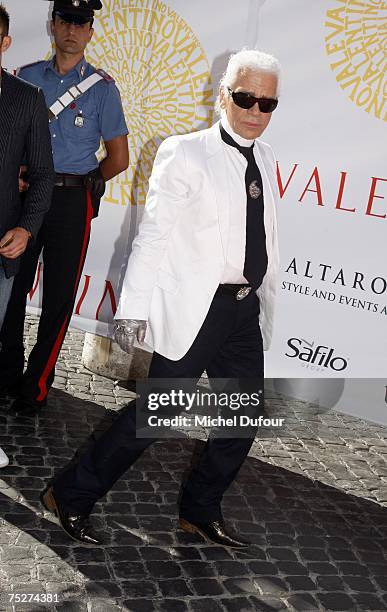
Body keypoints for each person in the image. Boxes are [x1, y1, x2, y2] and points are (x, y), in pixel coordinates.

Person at [42, 49, 280, 547]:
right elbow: (152, 238)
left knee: (241, 418)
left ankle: (199, 509)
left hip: (243, 312)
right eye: (246, 98)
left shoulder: (266, 158)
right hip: (198, 310)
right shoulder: (185, 152)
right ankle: (71, 494)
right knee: (156, 416)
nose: (256, 111)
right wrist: (130, 314)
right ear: (223, 96)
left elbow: (262, 239)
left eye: (267, 103)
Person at [0, 0, 129, 417]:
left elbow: (119, 157)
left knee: (58, 297)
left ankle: (36, 385)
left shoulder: (103, 88)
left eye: (81, 22)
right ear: (52, 26)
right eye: (65, 21)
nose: (72, 30)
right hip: (23, 197)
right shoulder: (24, 79)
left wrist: (89, 183)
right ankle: (6, 372)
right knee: (13, 287)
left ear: (90, 31)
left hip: (71, 201)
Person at [0, 3, 54, 467]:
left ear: (4, 43)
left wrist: (25, 226)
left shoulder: (26, 99)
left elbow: (41, 175)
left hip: (1, 245)